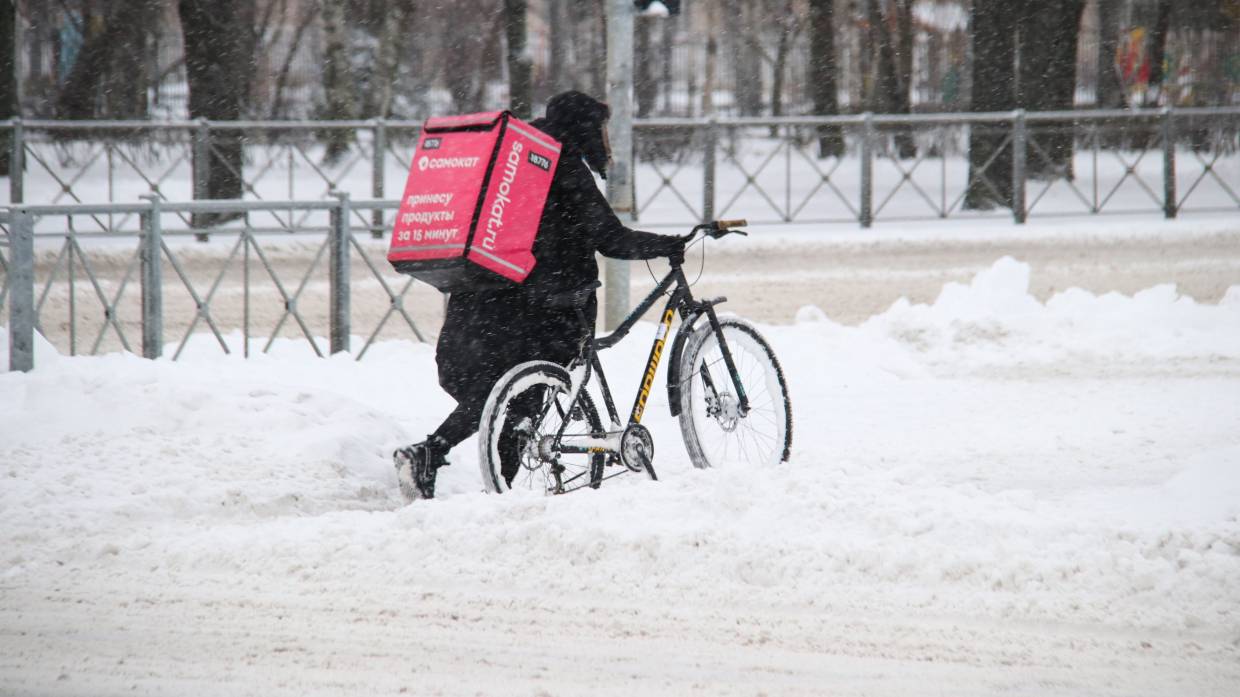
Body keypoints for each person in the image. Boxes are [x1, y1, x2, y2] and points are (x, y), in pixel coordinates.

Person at [394, 90, 686, 501]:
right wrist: (668, 244)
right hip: (541, 309)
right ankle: (452, 466)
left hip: (479, 297)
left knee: (504, 399)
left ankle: (470, 475)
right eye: (600, 129)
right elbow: (610, 238)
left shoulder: (515, 160)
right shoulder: (562, 164)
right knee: (521, 399)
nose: (604, 141)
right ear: (584, 126)